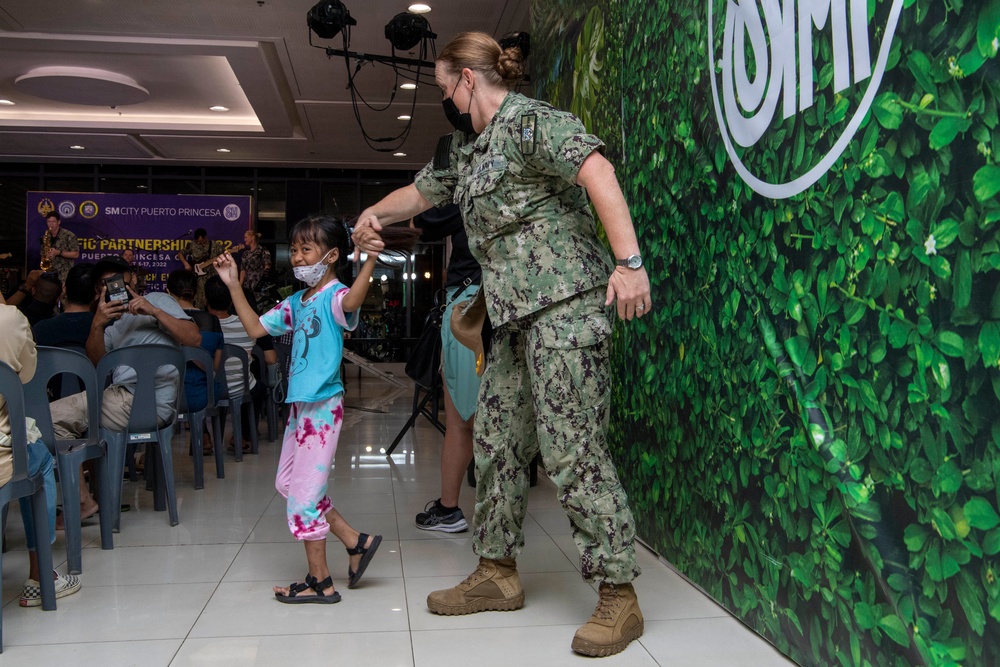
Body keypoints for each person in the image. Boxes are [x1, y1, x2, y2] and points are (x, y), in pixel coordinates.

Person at [351, 31, 652, 657]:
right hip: (512, 320)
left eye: (443, 88)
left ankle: (619, 595)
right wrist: (371, 216)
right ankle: (496, 573)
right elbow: (419, 192)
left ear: (467, 78)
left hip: (566, 307)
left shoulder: (530, 123)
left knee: (572, 450)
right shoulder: (467, 150)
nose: (447, 102)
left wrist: (629, 262)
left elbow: (596, 169)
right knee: (495, 443)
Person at [212, 214, 417, 603]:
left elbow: (355, 299)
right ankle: (355, 541)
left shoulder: (335, 296)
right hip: (300, 407)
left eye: (308, 249)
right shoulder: (296, 301)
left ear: (332, 255)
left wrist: (370, 258)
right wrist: (234, 284)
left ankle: (320, 582)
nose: (298, 257)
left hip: (323, 408)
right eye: (296, 249)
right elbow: (257, 330)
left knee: (303, 498)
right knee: (289, 485)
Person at [49, 257, 201, 444]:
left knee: (47, 419)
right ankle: (84, 473)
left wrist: (154, 311)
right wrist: (97, 324)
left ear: (133, 279)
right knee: (56, 425)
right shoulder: (112, 323)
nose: (114, 286)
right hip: (119, 399)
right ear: (99, 290)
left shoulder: (157, 299)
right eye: (105, 283)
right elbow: (97, 363)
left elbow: (194, 339)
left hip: (150, 402)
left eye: (118, 279)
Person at [0, 298, 81, 606]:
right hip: (3, 458)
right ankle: (41, 576)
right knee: (41, 460)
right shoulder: (9, 319)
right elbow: (24, 374)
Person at [411, 204, 482, 533]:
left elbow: (417, 221)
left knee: (461, 420)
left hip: (471, 306)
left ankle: (450, 509)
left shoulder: (471, 191)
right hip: (515, 302)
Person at [33, 262, 100, 526]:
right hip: (95, 412)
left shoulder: (41, 329)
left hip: (51, 414)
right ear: (97, 294)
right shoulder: (103, 328)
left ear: (63, 290)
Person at [166, 269, 224, 453]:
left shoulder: (162, 321)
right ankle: (203, 434)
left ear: (168, 293)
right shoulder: (212, 321)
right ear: (196, 293)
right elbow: (214, 367)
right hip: (203, 397)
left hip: (167, 398)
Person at [204, 275, 263, 454]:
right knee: (258, 388)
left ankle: (204, 437)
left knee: (194, 385)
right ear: (231, 300)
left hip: (209, 390)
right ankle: (245, 436)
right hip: (240, 388)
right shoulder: (247, 324)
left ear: (205, 300)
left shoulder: (197, 326)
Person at [178, 228, 224, 309]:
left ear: (205, 237)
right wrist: (186, 264)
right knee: (200, 299)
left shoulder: (215, 246)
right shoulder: (192, 244)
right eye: (197, 241)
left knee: (213, 297)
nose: (199, 242)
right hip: (199, 278)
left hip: (212, 276)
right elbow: (180, 254)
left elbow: (224, 256)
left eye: (201, 240)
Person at [41, 211, 79, 284]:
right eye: (49, 222)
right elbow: (43, 253)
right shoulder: (46, 236)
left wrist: (58, 252)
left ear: (59, 222)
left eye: (53, 222)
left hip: (64, 273)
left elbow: (76, 254)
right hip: (50, 272)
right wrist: (44, 261)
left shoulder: (69, 235)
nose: (51, 224)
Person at [239, 230, 272, 311]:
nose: (244, 239)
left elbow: (267, 265)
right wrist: (240, 285)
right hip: (247, 286)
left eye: (246, 237)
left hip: (258, 286)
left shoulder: (263, 251)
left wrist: (263, 281)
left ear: (252, 237)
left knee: (259, 307)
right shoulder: (245, 254)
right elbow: (243, 270)